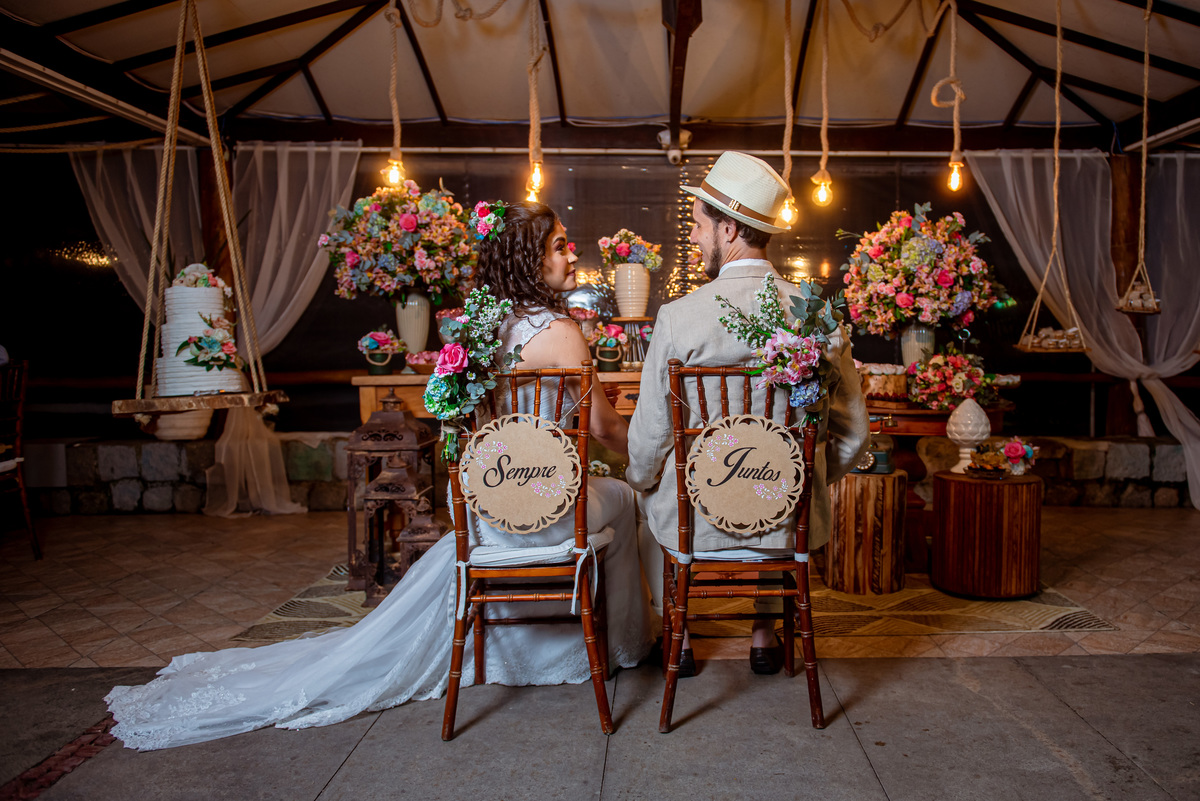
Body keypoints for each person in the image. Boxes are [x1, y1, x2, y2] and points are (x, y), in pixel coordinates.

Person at [105, 200, 654, 751]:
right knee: (629, 498)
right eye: (559, 245)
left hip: (491, 515)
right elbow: (605, 429)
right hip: (550, 512)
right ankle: (631, 646)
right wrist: (646, 464)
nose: (572, 253)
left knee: (606, 495)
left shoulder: (479, 333)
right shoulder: (560, 332)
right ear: (528, 260)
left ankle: (542, 646)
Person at [625, 151, 869, 675]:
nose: (693, 238)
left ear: (730, 228)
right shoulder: (818, 317)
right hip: (787, 521)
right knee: (771, 482)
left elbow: (649, 438)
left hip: (695, 525)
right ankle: (764, 632)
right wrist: (802, 477)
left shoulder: (678, 318)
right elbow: (854, 437)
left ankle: (681, 636)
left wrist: (639, 480)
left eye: (698, 226)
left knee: (644, 498)